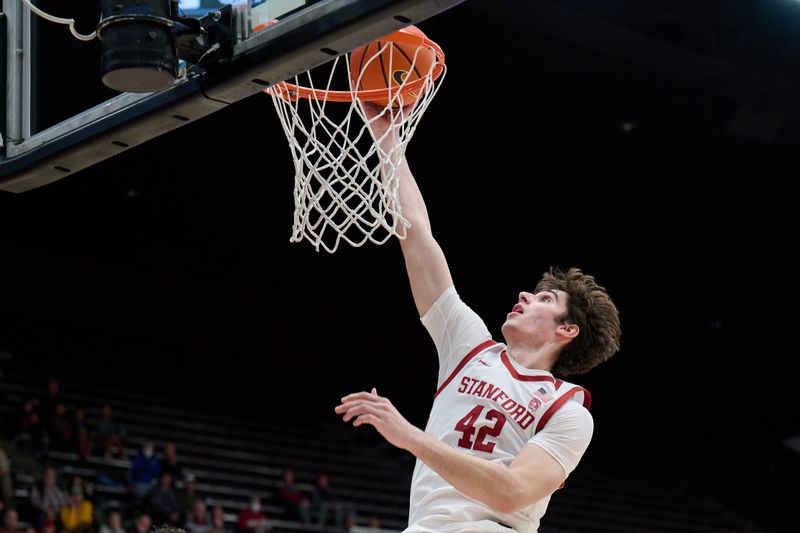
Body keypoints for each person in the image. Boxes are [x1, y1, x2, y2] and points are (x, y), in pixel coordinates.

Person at [335, 104, 622, 533]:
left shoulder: (569, 411)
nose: (524, 295)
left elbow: (510, 492)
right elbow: (416, 233)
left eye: (544, 298)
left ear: (567, 329)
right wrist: (385, 135)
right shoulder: (470, 348)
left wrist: (407, 434)